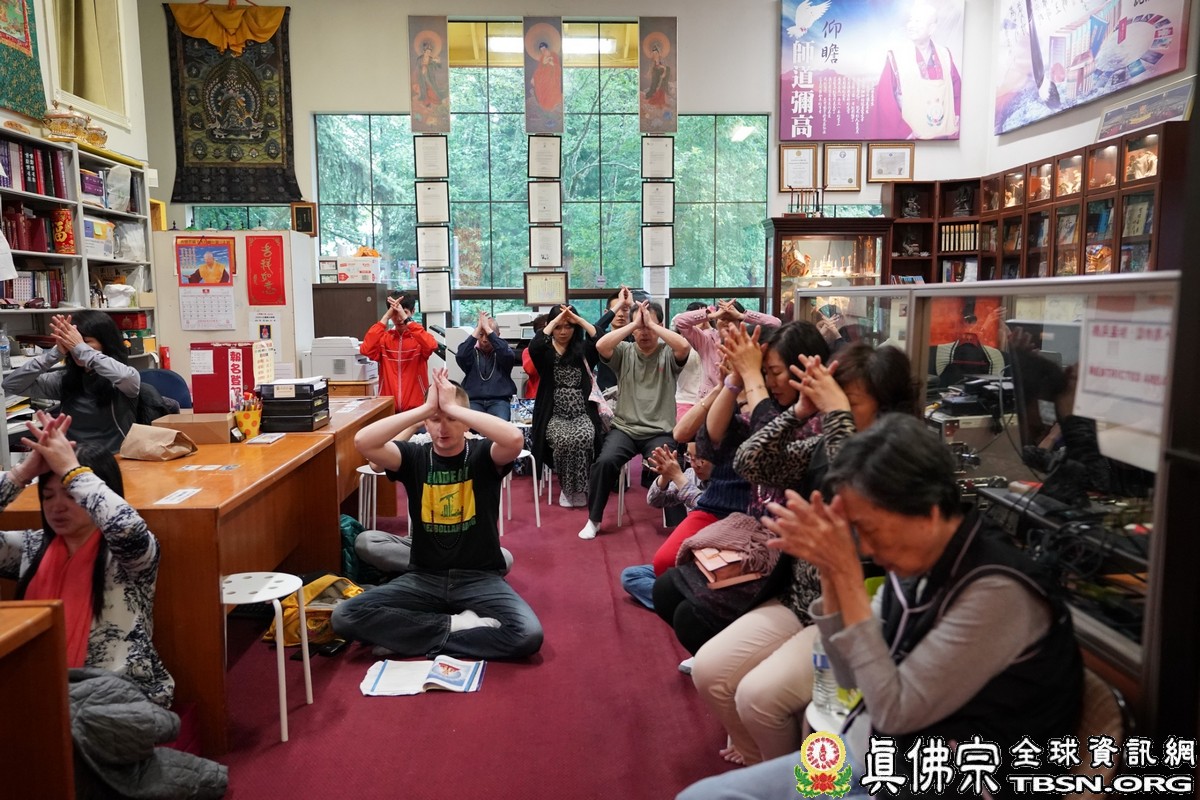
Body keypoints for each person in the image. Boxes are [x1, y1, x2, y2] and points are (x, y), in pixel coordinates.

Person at [678, 414, 1083, 799]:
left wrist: (847, 577)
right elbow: (847, 674)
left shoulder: (997, 591)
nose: (867, 548)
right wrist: (831, 575)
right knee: (705, 795)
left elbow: (893, 714)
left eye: (870, 529)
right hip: (880, 757)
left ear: (927, 512)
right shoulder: (922, 562)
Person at [695, 344, 917, 767]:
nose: (837, 408)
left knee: (758, 696)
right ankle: (762, 765)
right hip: (799, 600)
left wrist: (836, 414)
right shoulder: (826, 442)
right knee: (709, 669)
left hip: (851, 613)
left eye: (850, 401)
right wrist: (799, 412)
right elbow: (749, 462)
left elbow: (851, 484)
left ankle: (780, 778)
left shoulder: (898, 457)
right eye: (836, 397)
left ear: (887, 408)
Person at [331, 369, 543, 660]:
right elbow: (364, 442)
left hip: (479, 577)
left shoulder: (482, 454)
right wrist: (425, 409)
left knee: (527, 634)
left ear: (466, 421)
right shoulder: (414, 456)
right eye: (435, 420)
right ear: (425, 424)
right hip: (424, 578)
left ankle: (411, 637)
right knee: (345, 615)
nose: (443, 428)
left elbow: (514, 439)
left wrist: (452, 407)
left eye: (452, 419)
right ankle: (455, 626)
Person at [0, 412, 174, 707]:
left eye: (71, 494)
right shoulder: (31, 547)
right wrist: (21, 475)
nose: (57, 507)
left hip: (117, 701)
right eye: (48, 496)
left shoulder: (127, 556)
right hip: (41, 692)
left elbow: (126, 527)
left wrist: (71, 469)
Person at [578, 301, 690, 540]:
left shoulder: (668, 352)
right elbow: (600, 345)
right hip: (625, 429)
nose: (644, 331)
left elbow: (684, 346)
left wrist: (650, 325)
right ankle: (594, 519)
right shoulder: (625, 351)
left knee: (671, 466)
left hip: (660, 430)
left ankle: (679, 527)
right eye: (639, 327)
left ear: (660, 325)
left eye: (649, 325)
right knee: (604, 462)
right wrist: (635, 324)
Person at [3, 311, 140, 453]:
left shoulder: (123, 378)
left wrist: (80, 348)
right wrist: (54, 354)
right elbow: (11, 385)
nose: (75, 348)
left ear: (105, 343)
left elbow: (125, 376)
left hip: (114, 458)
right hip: (72, 459)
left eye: (85, 342)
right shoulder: (64, 379)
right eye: (70, 342)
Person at [619, 440, 712, 610]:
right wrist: (665, 477)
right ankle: (689, 602)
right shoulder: (690, 474)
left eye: (701, 458)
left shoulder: (727, 482)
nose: (695, 464)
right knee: (630, 577)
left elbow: (707, 508)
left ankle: (686, 602)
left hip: (713, 563)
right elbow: (654, 500)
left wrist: (679, 478)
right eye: (690, 457)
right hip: (687, 562)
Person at [528, 304, 603, 509]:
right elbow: (534, 345)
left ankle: (581, 488)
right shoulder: (545, 352)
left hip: (582, 414)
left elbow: (599, 338)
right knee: (563, 441)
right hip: (554, 415)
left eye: (568, 326)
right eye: (558, 327)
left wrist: (578, 320)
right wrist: (554, 320)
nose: (563, 332)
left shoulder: (583, 350)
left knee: (584, 437)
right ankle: (567, 488)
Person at [871, 0, 961, 140]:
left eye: (917, 21)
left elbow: (957, 91)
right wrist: (905, 132)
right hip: (913, 137)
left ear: (932, 29)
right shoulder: (896, 56)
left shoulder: (944, 55)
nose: (911, 25)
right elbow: (885, 98)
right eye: (910, 20)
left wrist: (957, 115)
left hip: (944, 136)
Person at [672, 299, 782, 400]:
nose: (726, 322)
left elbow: (776, 324)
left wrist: (742, 315)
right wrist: (712, 315)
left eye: (732, 319)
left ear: (740, 322)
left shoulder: (747, 341)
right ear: (716, 321)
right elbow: (680, 321)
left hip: (741, 398)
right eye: (722, 318)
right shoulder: (706, 340)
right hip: (710, 400)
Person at [360, 292, 438, 413]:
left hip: (417, 409)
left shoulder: (419, 338)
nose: (399, 318)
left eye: (403, 312)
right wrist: (385, 317)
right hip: (388, 407)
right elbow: (366, 349)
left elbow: (431, 345)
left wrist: (408, 320)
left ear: (413, 311)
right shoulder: (384, 339)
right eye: (394, 313)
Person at [455, 311, 517, 420]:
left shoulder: (503, 352)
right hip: (474, 401)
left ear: (497, 335)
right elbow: (461, 355)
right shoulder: (471, 353)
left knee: (501, 425)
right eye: (481, 335)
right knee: (470, 423)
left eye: (488, 335)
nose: (484, 339)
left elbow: (507, 354)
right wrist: (478, 328)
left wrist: (488, 330)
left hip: (499, 401)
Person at [591, 286, 635, 391]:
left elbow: (648, 325)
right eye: (616, 310)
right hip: (606, 393)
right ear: (607, 313)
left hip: (632, 392)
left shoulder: (635, 338)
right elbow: (595, 329)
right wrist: (620, 303)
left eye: (625, 310)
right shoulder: (602, 338)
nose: (620, 314)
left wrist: (632, 305)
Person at [530, 41, 562, 113]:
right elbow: (539, 69)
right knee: (539, 81)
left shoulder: (554, 55)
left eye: (544, 49)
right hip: (544, 77)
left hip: (552, 76)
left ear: (547, 48)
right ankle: (544, 105)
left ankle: (551, 105)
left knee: (551, 87)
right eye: (541, 50)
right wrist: (533, 77)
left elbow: (558, 68)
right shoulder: (542, 58)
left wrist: (552, 63)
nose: (543, 51)